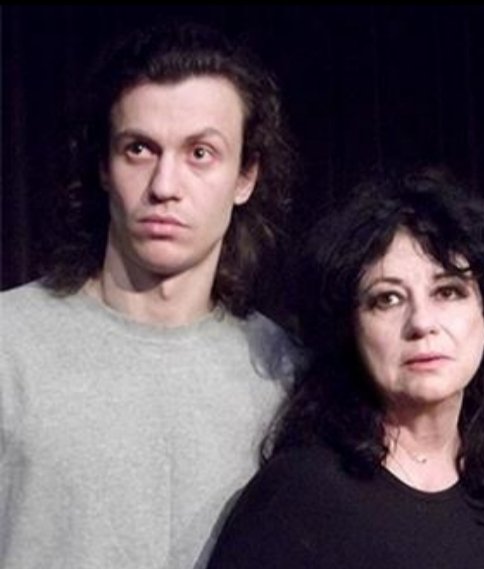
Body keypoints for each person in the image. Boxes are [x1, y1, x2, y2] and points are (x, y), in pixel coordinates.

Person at [0, 23, 297, 569]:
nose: (164, 186)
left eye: (200, 153)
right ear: (103, 167)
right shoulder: (8, 346)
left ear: (245, 176)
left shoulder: (284, 375)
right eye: (139, 149)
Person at [205, 171, 484, 569]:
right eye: (388, 299)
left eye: (448, 291)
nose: (422, 323)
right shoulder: (303, 495)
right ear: (351, 328)